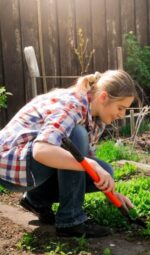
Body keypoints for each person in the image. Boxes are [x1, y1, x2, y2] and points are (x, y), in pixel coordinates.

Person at [0, 70, 136, 237]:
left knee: (104, 171)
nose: (122, 115)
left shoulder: (96, 118)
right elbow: (41, 150)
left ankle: (36, 200)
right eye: (120, 108)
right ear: (103, 97)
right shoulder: (73, 105)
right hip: (12, 164)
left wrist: (111, 192)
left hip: (31, 165)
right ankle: (70, 221)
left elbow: (82, 159)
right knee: (76, 135)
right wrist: (90, 164)